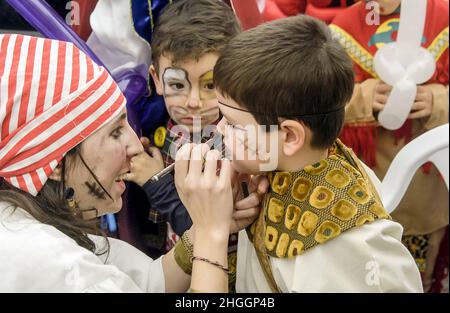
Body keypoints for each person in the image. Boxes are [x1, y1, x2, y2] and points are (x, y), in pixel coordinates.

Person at [178, 14, 423, 292]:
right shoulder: (278, 171)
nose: (219, 130)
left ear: (290, 136)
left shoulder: (351, 250)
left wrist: (210, 232)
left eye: (233, 123)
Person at [0, 34, 261, 292]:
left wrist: (203, 230)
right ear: (55, 163)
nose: (137, 146)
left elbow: (144, 283)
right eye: (115, 132)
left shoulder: (21, 221)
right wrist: (211, 234)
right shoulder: (54, 266)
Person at [330, 0, 449, 292]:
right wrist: (363, 98)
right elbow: (318, 99)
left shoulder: (443, 17)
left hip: (427, 185)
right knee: (373, 271)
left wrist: (438, 99)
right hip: (367, 183)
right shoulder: (342, 26)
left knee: (418, 272)